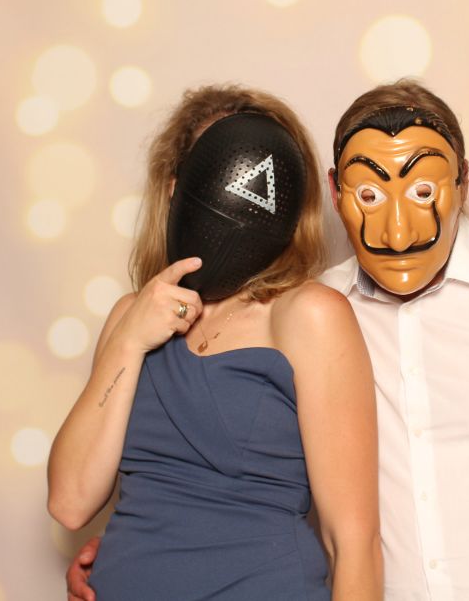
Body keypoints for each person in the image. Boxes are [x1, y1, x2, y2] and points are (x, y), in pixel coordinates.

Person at [66, 79, 469, 600]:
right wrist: (139, 548)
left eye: (422, 190)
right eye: (368, 193)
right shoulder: (316, 306)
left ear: (464, 182)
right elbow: (259, 472)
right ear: (336, 194)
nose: (397, 226)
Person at [48, 85, 382, 601]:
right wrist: (129, 340)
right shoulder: (130, 319)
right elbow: (70, 502)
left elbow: (353, 542)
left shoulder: (308, 316)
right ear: (176, 188)